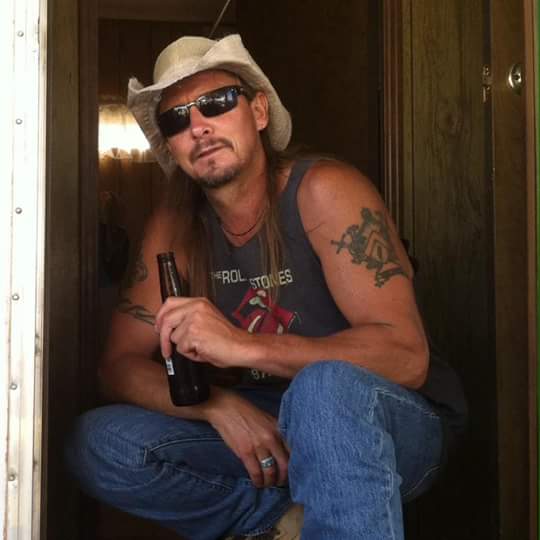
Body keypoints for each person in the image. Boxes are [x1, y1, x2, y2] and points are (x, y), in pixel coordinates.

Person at [66, 34, 467, 540]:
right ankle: (282, 521)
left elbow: (407, 357)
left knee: (324, 388)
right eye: (176, 119)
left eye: (217, 102)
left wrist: (242, 345)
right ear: (169, 144)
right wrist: (217, 406)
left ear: (258, 112)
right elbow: (117, 366)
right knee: (99, 442)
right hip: (264, 423)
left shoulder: (323, 190)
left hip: (380, 419)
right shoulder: (174, 226)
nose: (198, 126)